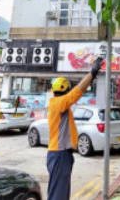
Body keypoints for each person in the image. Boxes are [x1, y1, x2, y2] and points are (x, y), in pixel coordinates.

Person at [46, 56, 103, 200]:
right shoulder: (58, 103)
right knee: (58, 195)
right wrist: (92, 73)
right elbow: (76, 92)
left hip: (61, 154)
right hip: (59, 155)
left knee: (61, 192)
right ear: (65, 90)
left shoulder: (58, 104)